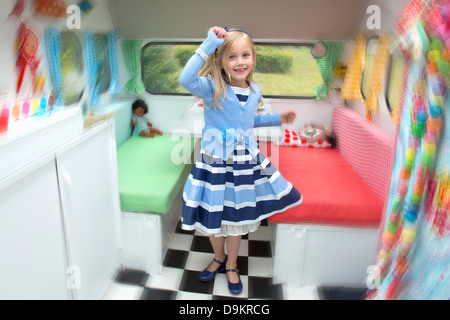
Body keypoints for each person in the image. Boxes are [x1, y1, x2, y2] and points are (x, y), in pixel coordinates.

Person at [179, 26, 302, 295]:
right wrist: (209, 43)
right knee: (214, 215)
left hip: (244, 162)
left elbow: (249, 121)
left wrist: (277, 118)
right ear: (221, 61)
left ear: (253, 58)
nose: (240, 62)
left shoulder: (255, 90)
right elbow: (186, 79)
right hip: (215, 163)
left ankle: (232, 264)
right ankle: (219, 257)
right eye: (232, 57)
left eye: (245, 55)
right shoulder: (212, 87)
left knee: (236, 217)